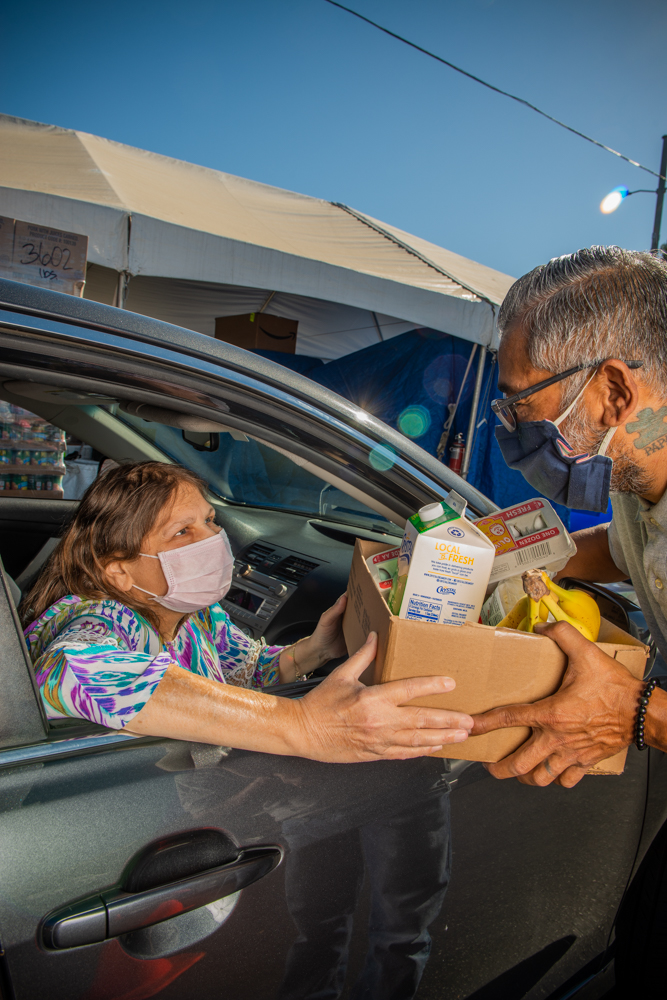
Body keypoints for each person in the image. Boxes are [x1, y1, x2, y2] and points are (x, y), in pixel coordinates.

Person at [20, 460, 473, 761]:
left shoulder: (195, 616)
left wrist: (314, 649)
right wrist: (303, 725)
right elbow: (69, 672)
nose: (212, 538)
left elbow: (245, 669)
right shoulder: (98, 617)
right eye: (182, 532)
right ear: (119, 573)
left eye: (210, 521)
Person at [472, 246, 667, 787]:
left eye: (522, 402)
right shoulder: (636, 481)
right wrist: (524, 567)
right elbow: (627, 548)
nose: (511, 425)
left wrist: (636, 713)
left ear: (613, 393)